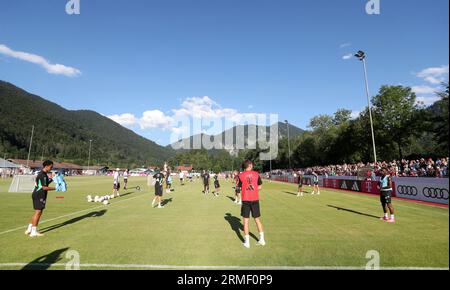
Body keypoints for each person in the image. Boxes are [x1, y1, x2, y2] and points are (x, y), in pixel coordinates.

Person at [238, 160, 265, 248]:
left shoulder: (241, 175)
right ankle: (262, 240)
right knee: (257, 219)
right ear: (249, 165)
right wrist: (253, 189)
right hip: (255, 199)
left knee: (246, 221)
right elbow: (260, 186)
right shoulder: (256, 174)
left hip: (246, 199)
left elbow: (238, 188)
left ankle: (247, 243)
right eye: (252, 164)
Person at [25, 160, 56, 238]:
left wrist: (51, 179)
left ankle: (29, 229)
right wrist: (56, 188)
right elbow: (44, 187)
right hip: (40, 195)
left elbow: (44, 184)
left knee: (37, 212)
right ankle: (33, 232)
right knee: (38, 212)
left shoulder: (44, 174)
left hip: (38, 194)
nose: (51, 168)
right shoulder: (42, 175)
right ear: (46, 166)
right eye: (51, 167)